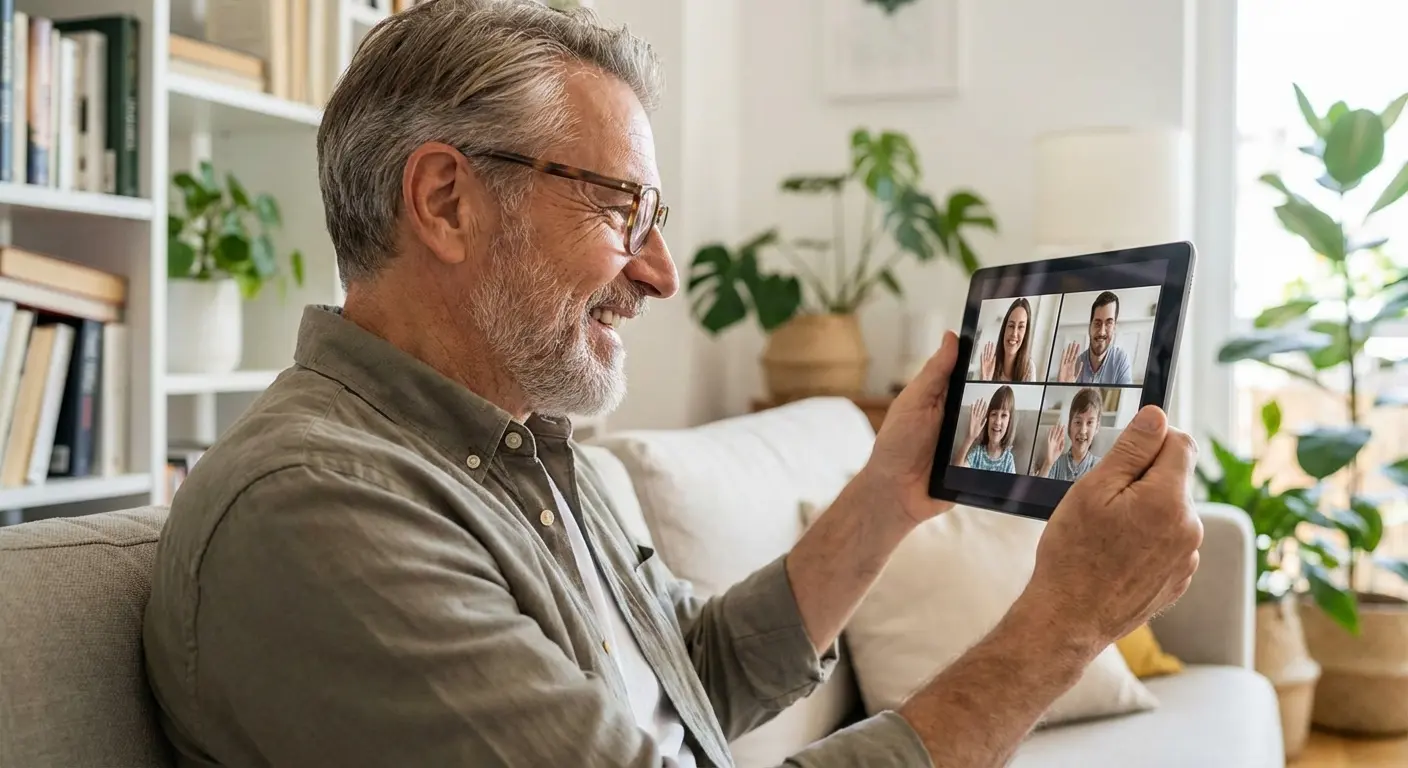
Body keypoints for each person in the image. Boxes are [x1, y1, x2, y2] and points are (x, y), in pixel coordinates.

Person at [141, 3, 1204, 767]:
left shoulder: (520, 450)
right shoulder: (322, 509)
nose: (657, 272)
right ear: (447, 202)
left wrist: (886, 499)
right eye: (620, 212)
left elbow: (692, 673)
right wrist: (1058, 629)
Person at [1055, 291, 1134, 385]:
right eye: (1097, 323)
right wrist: (1062, 385)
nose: (1102, 332)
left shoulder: (1121, 360)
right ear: (1090, 326)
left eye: (1109, 323)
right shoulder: (1075, 365)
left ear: (1114, 327)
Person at [1034, 387, 1105, 481]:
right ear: (1069, 426)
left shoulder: (1101, 467)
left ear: (1097, 427)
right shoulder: (1056, 463)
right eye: (1078, 422)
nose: (1083, 431)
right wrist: (1048, 463)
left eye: (1089, 423)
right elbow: (1037, 493)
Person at [952, 386, 1019, 474]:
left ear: (1009, 422)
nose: (997, 422)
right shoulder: (978, 453)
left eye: (1003, 415)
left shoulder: (1008, 460)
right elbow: (956, 473)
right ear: (987, 420)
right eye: (994, 414)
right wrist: (970, 437)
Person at [979, 297, 1035, 382]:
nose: (1014, 333)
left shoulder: (1029, 369)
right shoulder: (990, 364)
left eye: (1020, 327)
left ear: (1025, 333)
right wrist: (984, 380)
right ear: (1004, 329)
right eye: (1011, 326)